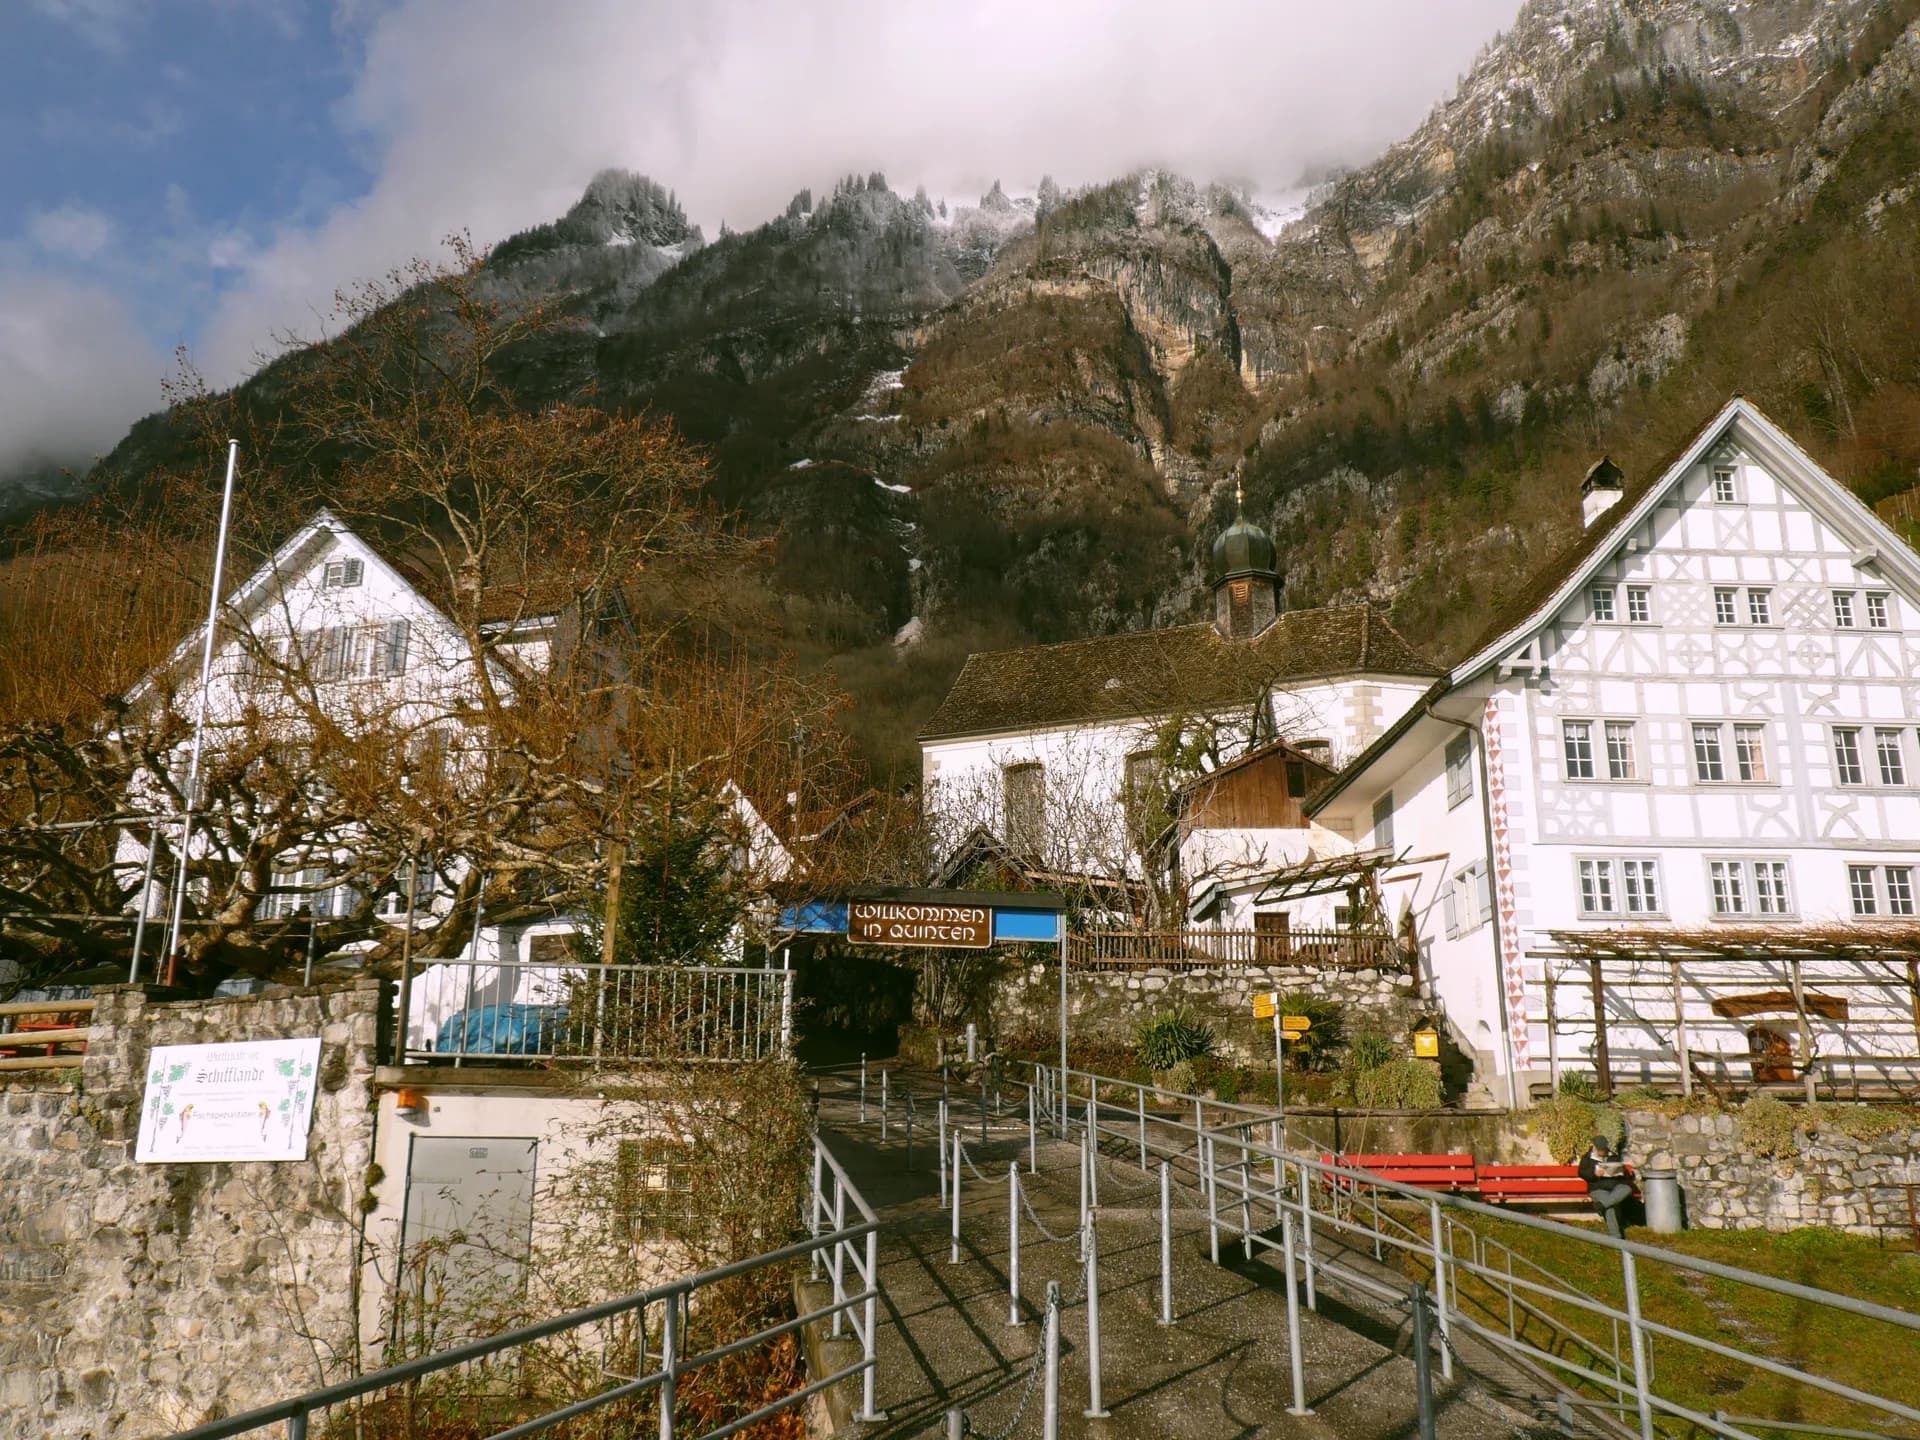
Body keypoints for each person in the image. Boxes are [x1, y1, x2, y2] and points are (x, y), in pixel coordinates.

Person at [1578, 1134, 1633, 1237]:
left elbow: (1622, 1173)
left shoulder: (1613, 1156)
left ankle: (1601, 1205)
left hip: (1614, 1186)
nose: (1603, 1152)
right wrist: (1594, 1174)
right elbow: (1582, 1173)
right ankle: (1616, 1237)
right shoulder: (1587, 1158)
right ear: (1594, 1147)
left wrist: (1620, 1172)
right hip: (1598, 1187)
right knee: (1610, 1207)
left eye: (1604, 1150)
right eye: (1600, 1150)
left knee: (1627, 1188)